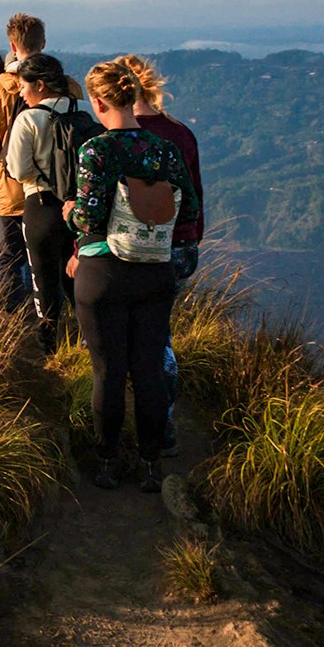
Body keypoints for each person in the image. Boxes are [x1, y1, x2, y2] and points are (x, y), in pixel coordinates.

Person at [64, 57, 198, 493]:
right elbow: (189, 208)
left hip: (103, 274)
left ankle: (107, 463)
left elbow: (88, 220)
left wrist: (70, 212)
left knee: (107, 371)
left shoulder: (96, 151)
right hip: (155, 272)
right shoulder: (165, 149)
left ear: (100, 103)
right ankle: (150, 465)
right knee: (147, 371)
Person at [125, 53, 205, 459]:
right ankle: (163, 420)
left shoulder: (123, 137)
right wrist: (192, 242)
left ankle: (150, 424)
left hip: (138, 249)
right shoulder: (181, 134)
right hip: (179, 247)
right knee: (160, 332)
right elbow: (195, 196)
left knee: (142, 337)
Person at [0, 13, 80, 319]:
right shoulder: (69, 86)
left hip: (9, 188)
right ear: (43, 43)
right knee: (58, 255)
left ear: (12, 44)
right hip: (59, 189)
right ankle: (65, 319)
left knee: (10, 255)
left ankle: (17, 317)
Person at [3, 53, 81, 354]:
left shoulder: (29, 118)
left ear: (39, 84)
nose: (21, 93)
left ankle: (50, 345)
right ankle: (87, 339)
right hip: (81, 207)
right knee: (78, 276)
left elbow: (18, 170)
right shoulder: (85, 110)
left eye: (24, 86)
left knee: (43, 279)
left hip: (42, 203)